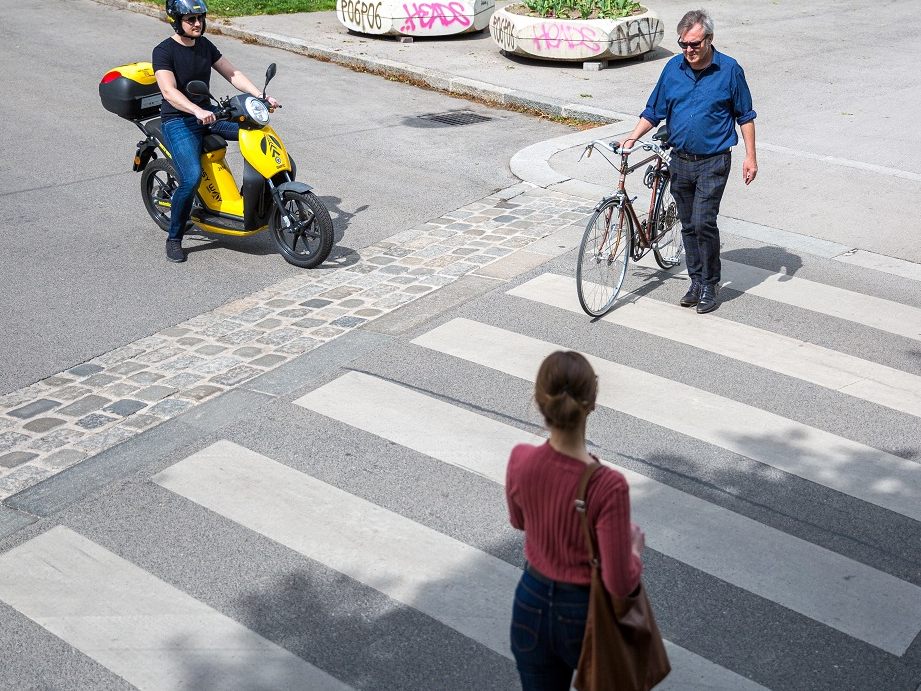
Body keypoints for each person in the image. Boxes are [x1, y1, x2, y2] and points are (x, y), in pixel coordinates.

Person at [506, 351, 645, 690]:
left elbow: (519, 521)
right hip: (584, 613)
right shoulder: (607, 485)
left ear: (540, 402)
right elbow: (619, 583)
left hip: (531, 599)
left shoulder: (520, 460)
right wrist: (635, 551)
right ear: (592, 403)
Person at [622, 8, 757, 313]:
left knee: (703, 222)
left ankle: (710, 284)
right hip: (680, 160)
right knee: (687, 224)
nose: (689, 51)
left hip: (714, 160)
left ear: (709, 39)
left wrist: (751, 156)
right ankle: (695, 281)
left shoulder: (730, 70)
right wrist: (632, 136)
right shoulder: (672, 69)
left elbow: (745, 117)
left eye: (694, 45)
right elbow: (653, 111)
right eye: (683, 44)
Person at [152, 0, 279, 263]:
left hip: (210, 117)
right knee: (191, 178)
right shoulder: (164, 51)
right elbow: (168, 91)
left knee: (256, 131)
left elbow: (232, 73)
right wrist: (195, 110)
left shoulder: (205, 46)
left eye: (200, 18)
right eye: (190, 19)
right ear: (177, 21)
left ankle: (250, 196)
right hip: (179, 121)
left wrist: (261, 96)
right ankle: (174, 238)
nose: (197, 23)